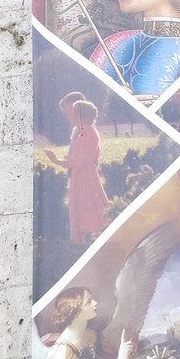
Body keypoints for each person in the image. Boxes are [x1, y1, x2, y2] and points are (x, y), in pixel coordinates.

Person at [51, 93, 112, 246]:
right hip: (81, 176)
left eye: (71, 112)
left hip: (85, 178)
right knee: (82, 210)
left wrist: (56, 160)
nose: (68, 116)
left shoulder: (87, 132)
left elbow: (77, 161)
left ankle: (88, 241)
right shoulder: (81, 131)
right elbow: (76, 155)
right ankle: (83, 240)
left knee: (89, 209)